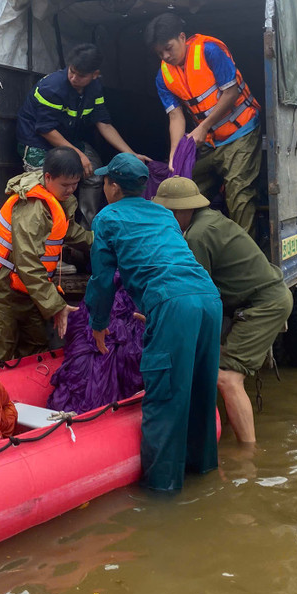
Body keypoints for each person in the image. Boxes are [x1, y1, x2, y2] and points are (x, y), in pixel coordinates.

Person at [84, 153, 222, 493]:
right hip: (208, 299)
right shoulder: (164, 214)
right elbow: (165, 258)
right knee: (201, 396)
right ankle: (205, 480)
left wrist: (98, 323)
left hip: (173, 305)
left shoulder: (107, 218)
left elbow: (102, 281)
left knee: (164, 402)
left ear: (113, 187)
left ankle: (162, 497)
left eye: (105, 181)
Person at [154, 176, 293, 445]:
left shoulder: (197, 235)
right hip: (258, 298)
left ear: (182, 210)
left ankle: (247, 453)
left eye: (167, 213)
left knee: (227, 378)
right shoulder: (208, 220)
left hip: (264, 305)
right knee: (217, 367)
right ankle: (227, 433)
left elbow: (195, 297)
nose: (164, 219)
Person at [0, 146, 93, 366]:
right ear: (48, 177)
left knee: (36, 347)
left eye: (75, 184)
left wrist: (97, 241)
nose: (70, 190)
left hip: (28, 287)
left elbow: (68, 231)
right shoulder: (33, 208)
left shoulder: (57, 200)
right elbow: (27, 263)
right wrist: (56, 305)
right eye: (65, 185)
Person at [144, 12, 261, 235]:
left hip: (241, 131)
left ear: (181, 37)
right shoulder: (163, 76)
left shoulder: (209, 51)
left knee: (239, 193)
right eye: (160, 53)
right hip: (209, 141)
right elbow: (175, 116)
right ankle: (190, 248)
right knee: (185, 188)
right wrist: (174, 155)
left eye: (169, 48)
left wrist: (203, 126)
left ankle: (245, 258)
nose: (166, 56)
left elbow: (231, 91)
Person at [16, 43, 149, 225]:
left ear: (95, 75)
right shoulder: (53, 87)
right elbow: (45, 130)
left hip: (69, 141)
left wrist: (131, 153)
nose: (74, 78)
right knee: (49, 184)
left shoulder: (95, 89)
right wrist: (78, 155)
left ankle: (88, 227)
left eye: (81, 75)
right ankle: (50, 227)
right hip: (37, 143)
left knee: (94, 172)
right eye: (72, 71)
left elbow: (103, 123)